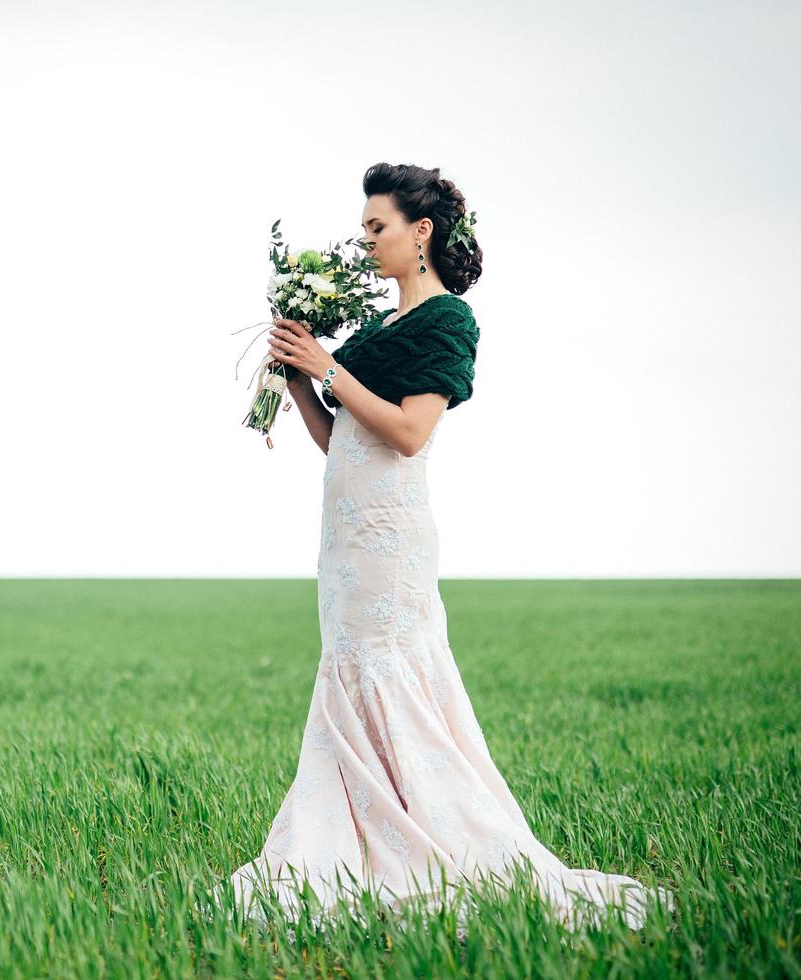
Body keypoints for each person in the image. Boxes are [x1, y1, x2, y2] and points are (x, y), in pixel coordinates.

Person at [224, 163, 674, 933]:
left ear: (420, 232)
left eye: (377, 228)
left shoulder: (447, 323)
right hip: (342, 543)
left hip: (391, 539)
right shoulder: (371, 333)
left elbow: (407, 434)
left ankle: (433, 838)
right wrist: (298, 378)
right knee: (347, 675)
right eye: (363, 229)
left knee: (391, 671)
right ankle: (349, 837)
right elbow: (341, 441)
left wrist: (328, 365)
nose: (364, 242)